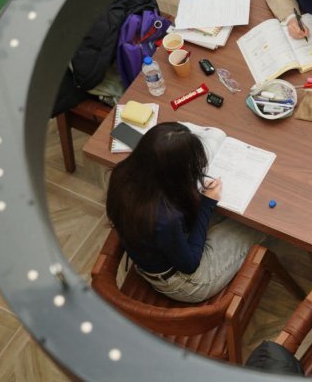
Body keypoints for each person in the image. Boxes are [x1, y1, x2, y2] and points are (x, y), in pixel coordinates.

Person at [105, 122, 265, 303]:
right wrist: (207, 204)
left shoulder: (121, 174)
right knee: (255, 224)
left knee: (226, 214)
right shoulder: (166, 218)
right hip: (184, 282)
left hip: (156, 255)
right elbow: (189, 265)